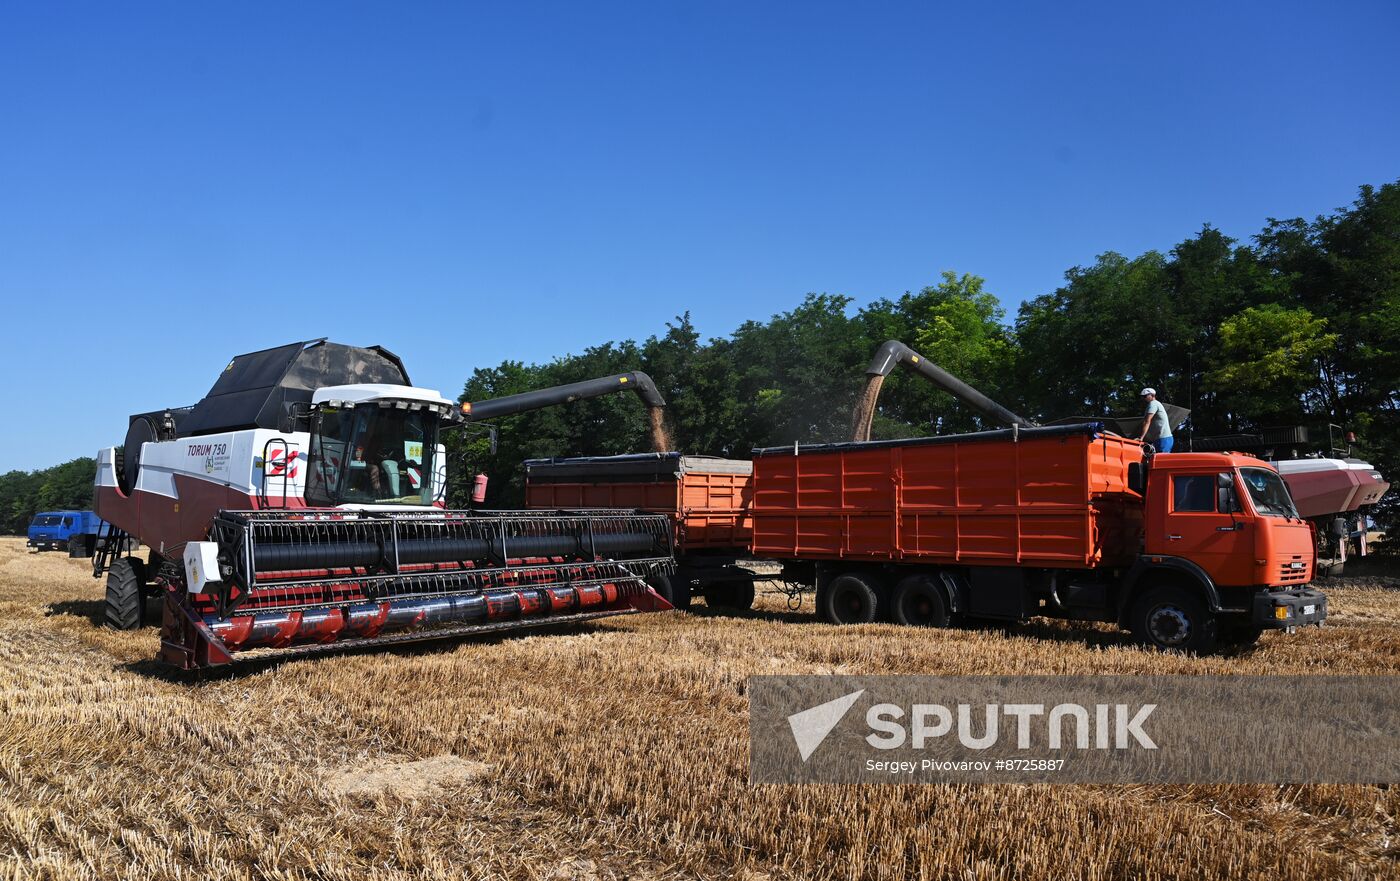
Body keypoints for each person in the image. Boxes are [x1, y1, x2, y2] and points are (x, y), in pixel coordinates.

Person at [1137, 388, 1174, 452]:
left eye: (1145, 396)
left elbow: (1147, 421)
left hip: (1163, 438)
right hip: (1160, 439)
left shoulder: (1153, 404)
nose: (1144, 398)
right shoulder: (1154, 404)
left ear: (1152, 395)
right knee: (1158, 460)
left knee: (1162, 460)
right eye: (1143, 397)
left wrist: (1141, 438)